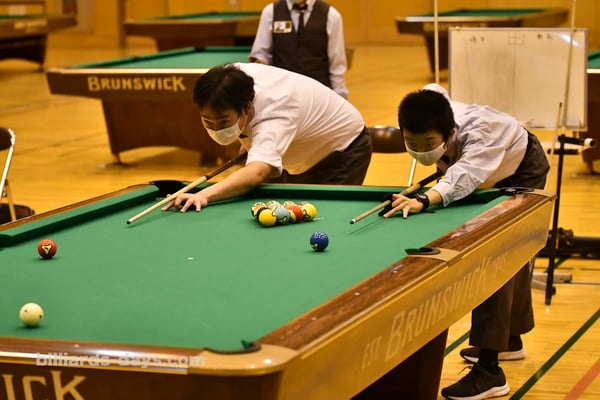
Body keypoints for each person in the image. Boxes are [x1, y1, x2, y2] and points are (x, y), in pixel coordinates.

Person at [382, 83, 550, 400]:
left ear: (450, 132)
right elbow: (433, 88)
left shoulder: (481, 133)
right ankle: (509, 340)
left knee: (499, 252)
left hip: (522, 170)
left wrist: (424, 199)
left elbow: (466, 176)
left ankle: (490, 372)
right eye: (411, 143)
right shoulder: (435, 112)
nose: (419, 150)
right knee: (507, 255)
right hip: (479, 169)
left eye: (428, 144)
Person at [162, 62, 371, 213]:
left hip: (341, 150)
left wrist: (204, 195)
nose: (216, 128)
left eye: (223, 122)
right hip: (297, 149)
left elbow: (257, 173)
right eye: (208, 121)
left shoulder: (276, 112)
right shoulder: (229, 78)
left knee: (323, 218)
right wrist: (254, 144)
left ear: (246, 108)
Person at [248, 0, 349, 99]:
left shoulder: (331, 15)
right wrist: (261, 60)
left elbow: (336, 63)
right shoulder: (270, 12)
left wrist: (340, 96)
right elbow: (262, 52)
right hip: (282, 93)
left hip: (319, 94)